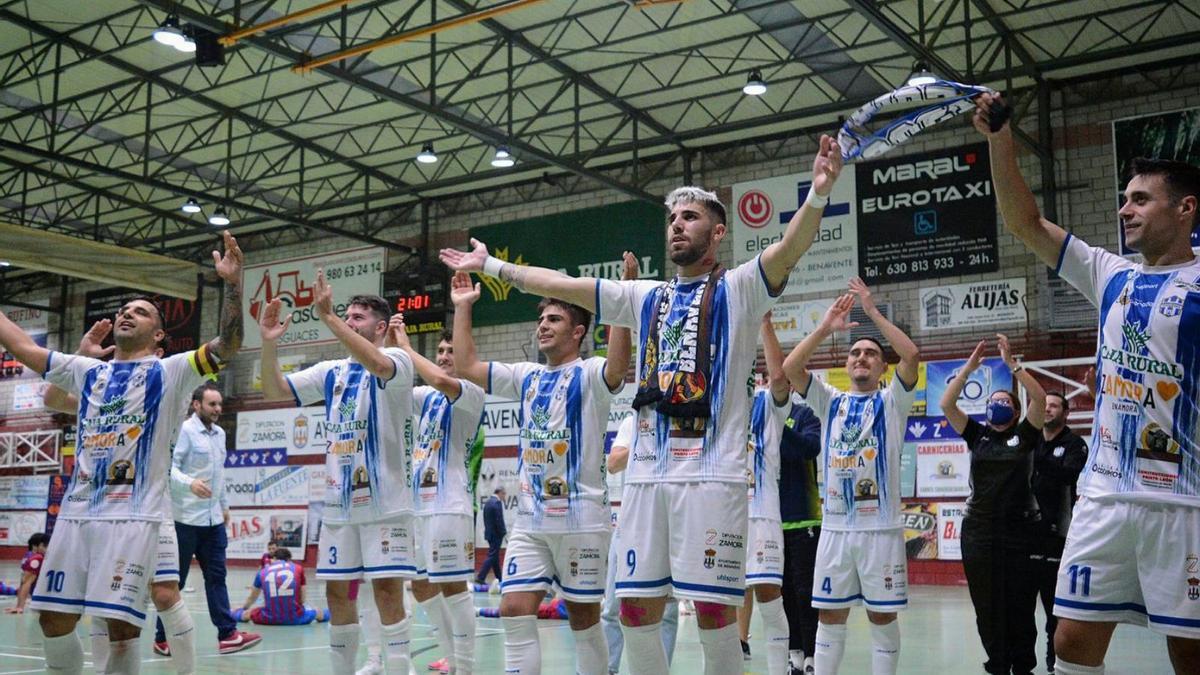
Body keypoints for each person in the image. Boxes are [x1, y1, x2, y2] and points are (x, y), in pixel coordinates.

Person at [440, 136, 843, 675]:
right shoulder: (645, 297)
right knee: (633, 611)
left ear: (717, 232)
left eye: (691, 217)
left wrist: (817, 195)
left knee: (712, 614)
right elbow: (566, 284)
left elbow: (789, 249)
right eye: (673, 217)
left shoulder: (742, 288)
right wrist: (494, 266)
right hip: (647, 480)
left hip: (712, 476)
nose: (677, 224)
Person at [974, 94, 1200, 674]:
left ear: (1185, 210)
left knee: (1190, 652)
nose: (1125, 210)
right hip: (1104, 495)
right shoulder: (1109, 273)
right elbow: (1025, 222)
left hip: (1185, 500)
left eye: (1141, 200)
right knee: (1071, 642)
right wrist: (1001, 139)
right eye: (1124, 199)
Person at [0, 230, 243, 675]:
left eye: (141, 311)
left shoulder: (171, 372)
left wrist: (233, 283)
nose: (127, 313)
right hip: (77, 515)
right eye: (124, 309)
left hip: (135, 516)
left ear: (159, 333)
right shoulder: (88, 372)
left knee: (121, 626)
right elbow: (23, 348)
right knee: (52, 620)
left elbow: (228, 346)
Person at [448, 252, 632, 674]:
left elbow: (619, 369)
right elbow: (467, 366)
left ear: (579, 333)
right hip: (530, 522)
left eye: (555, 320)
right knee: (514, 608)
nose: (543, 326)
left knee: (584, 618)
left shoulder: (590, 374)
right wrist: (463, 309)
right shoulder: (526, 376)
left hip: (583, 519)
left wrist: (621, 303)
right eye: (542, 319)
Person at [258, 273, 418, 674]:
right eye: (346, 315)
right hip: (340, 508)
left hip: (386, 505)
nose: (349, 321)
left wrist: (328, 318)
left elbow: (378, 363)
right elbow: (275, 390)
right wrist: (269, 342)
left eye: (358, 317)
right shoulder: (331, 371)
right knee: (337, 594)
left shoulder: (398, 360)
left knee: (386, 593)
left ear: (380, 327)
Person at [40, 324, 211, 672]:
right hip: (100, 506)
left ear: (159, 351)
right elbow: (53, 400)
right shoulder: (108, 392)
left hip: (152, 508)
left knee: (164, 594)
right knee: (103, 603)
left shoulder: (168, 386)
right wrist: (83, 354)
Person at [782, 277, 921, 675]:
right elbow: (791, 368)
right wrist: (826, 327)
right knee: (829, 616)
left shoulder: (893, 401)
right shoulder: (830, 401)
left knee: (882, 618)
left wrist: (872, 313)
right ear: (846, 364)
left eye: (870, 353)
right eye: (855, 352)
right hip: (836, 531)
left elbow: (911, 355)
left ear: (881, 366)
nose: (861, 357)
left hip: (880, 530)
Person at [384, 321, 486, 675]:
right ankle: (451, 658)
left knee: (453, 586)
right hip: (418, 505)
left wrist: (408, 352)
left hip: (450, 504)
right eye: (440, 351)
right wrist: (389, 345)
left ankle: (466, 668)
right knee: (422, 587)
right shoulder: (425, 397)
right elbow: (389, 386)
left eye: (450, 351)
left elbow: (441, 381)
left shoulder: (471, 393)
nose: (443, 357)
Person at [941, 335, 1046, 675]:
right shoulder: (977, 435)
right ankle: (997, 664)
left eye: (1004, 400)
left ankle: (1023, 666)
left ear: (1015, 411)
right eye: (993, 400)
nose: (997, 403)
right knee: (987, 607)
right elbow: (946, 403)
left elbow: (1041, 398)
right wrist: (969, 369)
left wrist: (1012, 365)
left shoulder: (1026, 434)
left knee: (1020, 605)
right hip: (979, 533)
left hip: (1020, 532)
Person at [156, 382, 262, 656]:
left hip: (213, 522)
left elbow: (219, 473)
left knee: (217, 578)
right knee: (173, 582)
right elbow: (169, 467)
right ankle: (161, 637)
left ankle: (228, 634)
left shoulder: (219, 434)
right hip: (183, 519)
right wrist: (190, 483)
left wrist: (224, 505)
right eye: (212, 404)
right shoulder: (184, 431)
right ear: (196, 404)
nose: (217, 409)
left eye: (219, 404)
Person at [601, 414, 679, 675]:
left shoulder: (684, 417)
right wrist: (646, 441)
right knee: (612, 607)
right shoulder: (632, 421)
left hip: (669, 523)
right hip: (629, 526)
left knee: (667, 611)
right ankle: (609, 669)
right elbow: (612, 464)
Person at [742, 313, 793, 674]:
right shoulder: (714, 404)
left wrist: (764, 324)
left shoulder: (767, 403)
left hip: (760, 515)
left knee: (768, 597)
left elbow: (779, 376)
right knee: (721, 604)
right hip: (720, 514)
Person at [1030, 392, 1088, 673]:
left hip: (1059, 537)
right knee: (1020, 607)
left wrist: (1038, 464)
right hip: (1026, 536)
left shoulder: (1075, 444)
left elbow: (1070, 474)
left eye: (1054, 405)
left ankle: (1054, 663)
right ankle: (1021, 661)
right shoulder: (1031, 440)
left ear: (1065, 413)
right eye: (1045, 405)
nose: (1048, 409)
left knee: (1055, 609)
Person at [778, 397, 824, 675]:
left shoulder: (805, 414)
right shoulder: (759, 417)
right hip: (771, 521)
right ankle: (793, 652)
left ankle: (812, 654)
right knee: (783, 593)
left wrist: (778, 426)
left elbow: (810, 448)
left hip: (804, 517)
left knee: (805, 591)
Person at [235, 548, 330, 625]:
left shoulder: (262, 572)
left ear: (274, 559)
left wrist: (243, 608)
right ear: (289, 559)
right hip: (295, 618)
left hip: (268, 618)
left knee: (247, 614)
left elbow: (252, 598)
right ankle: (336, 612)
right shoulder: (298, 568)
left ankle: (229, 613)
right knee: (318, 612)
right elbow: (302, 600)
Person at [4, 532, 49, 614]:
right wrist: (20, 607)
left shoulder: (31, 556)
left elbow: (24, 581)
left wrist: (19, 606)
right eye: (45, 546)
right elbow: (25, 582)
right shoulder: (36, 558)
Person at [477, 488, 507, 586]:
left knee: (495, 556)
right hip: (496, 534)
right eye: (504, 494)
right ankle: (481, 577)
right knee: (492, 555)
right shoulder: (497, 503)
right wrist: (503, 532)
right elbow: (499, 520)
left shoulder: (488, 503)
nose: (504, 497)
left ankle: (500, 578)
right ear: (500, 493)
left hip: (489, 534)